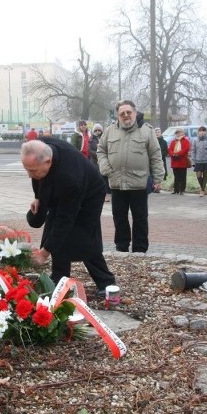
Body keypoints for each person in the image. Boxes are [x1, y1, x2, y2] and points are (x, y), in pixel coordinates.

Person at [21, 138, 116, 297]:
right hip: (62, 189)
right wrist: (38, 196)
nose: (29, 175)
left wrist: (44, 253)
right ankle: (59, 279)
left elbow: (65, 220)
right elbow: (37, 177)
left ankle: (106, 282)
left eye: (32, 170)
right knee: (55, 231)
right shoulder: (40, 148)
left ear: (48, 162)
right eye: (27, 169)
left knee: (84, 236)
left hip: (90, 195)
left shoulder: (70, 178)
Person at [97, 99, 165, 253]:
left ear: (134, 113)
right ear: (118, 115)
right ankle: (121, 247)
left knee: (140, 218)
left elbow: (155, 154)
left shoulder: (147, 130)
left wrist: (158, 178)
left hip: (139, 183)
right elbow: (101, 150)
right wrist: (106, 168)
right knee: (119, 217)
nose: (126, 115)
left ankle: (140, 250)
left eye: (128, 112)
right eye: (122, 113)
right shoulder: (110, 130)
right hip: (117, 183)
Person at [190, 126, 207, 197]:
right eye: (200, 131)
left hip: (206, 161)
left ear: (205, 132)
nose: (202, 132)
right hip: (198, 161)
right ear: (198, 132)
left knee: (205, 175)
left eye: (203, 131)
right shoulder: (195, 140)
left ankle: (202, 190)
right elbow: (193, 151)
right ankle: (202, 187)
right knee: (198, 176)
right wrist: (193, 161)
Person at [167, 128, 191, 195]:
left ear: (183, 133)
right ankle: (176, 189)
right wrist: (173, 154)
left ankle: (182, 189)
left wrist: (178, 154)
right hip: (175, 161)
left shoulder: (186, 141)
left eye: (179, 132)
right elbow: (170, 149)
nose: (178, 134)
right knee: (176, 176)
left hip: (182, 161)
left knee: (182, 176)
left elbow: (185, 149)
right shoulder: (173, 141)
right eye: (177, 133)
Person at [91, 123, 110, 202]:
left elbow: (108, 148)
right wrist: (98, 154)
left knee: (104, 179)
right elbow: (89, 150)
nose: (98, 131)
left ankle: (104, 195)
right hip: (94, 162)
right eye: (96, 130)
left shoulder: (105, 138)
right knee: (95, 179)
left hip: (103, 162)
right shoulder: (91, 139)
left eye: (99, 130)